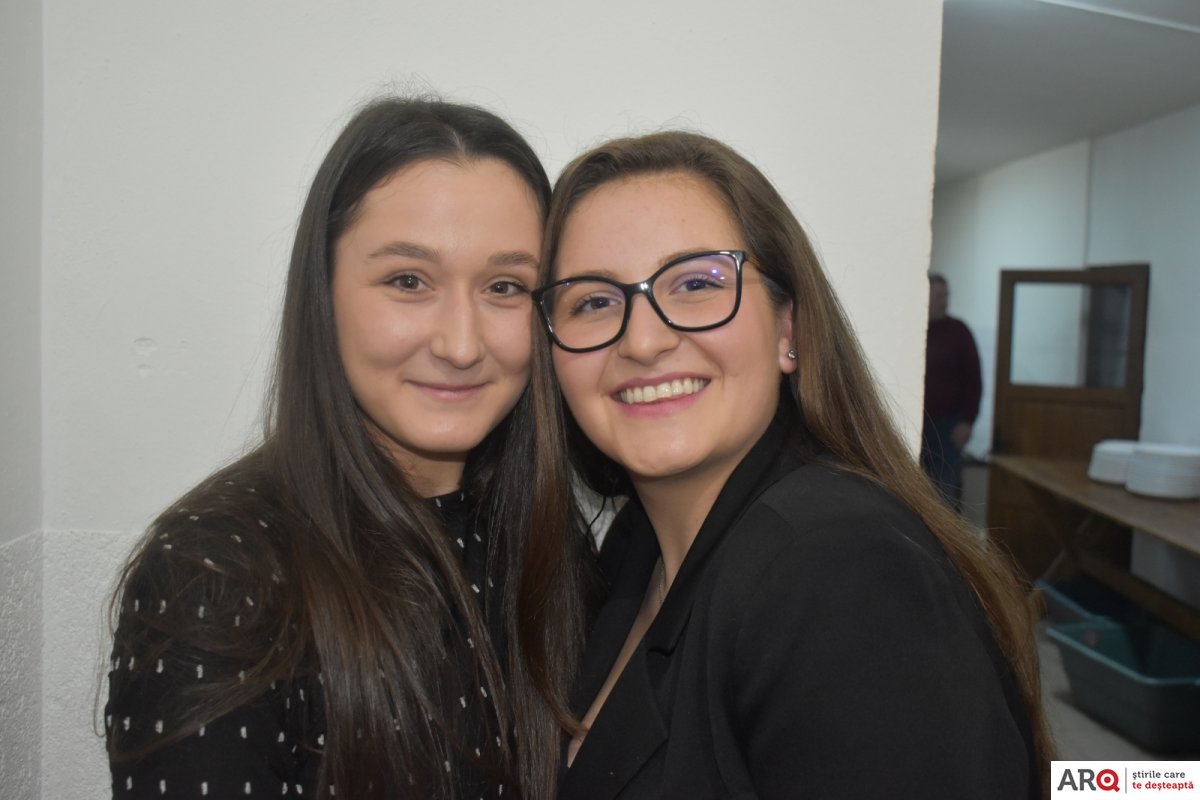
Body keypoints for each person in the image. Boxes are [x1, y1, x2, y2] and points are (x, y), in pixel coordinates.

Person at [530, 132, 1052, 799]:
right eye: (594, 301)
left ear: (788, 331)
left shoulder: (839, 570)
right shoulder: (633, 551)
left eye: (696, 283)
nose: (643, 340)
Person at [105, 98, 590, 800]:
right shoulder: (216, 574)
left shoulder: (551, 540)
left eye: (505, 287)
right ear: (323, 294)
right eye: (408, 281)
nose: (461, 344)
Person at [921, 272, 983, 510]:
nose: (943, 301)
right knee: (915, 494)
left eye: (945, 296)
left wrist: (967, 422)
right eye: (937, 296)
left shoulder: (958, 332)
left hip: (948, 428)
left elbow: (974, 381)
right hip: (916, 425)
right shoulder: (912, 330)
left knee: (946, 495)